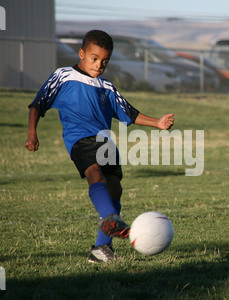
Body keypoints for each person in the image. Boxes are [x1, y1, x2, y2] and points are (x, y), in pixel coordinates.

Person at [24, 30, 174, 263]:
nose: (99, 65)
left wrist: (158, 122)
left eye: (105, 61)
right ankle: (110, 217)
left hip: (104, 140)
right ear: (82, 54)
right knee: (94, 174)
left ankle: (101, 248)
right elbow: (38, 105)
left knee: (114, 187)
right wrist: (32, 133)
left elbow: (130, 113)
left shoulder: (107, 86)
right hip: (79, 139)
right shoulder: (63, 76)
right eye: (94, 58)